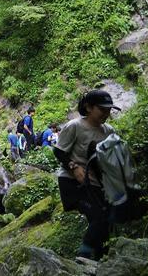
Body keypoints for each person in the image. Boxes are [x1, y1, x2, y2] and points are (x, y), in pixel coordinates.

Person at [53, 90, 120, 260]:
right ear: (89, 107)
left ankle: (99, 257)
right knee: (99, 216)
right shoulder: (75, 126)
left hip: (95, 184)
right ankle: (83, 258)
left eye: (109, 110)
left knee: (108, 216)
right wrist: (74, 167)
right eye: (102, 109)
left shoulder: (109, 131)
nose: (106, 114)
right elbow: (59, 151)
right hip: (72, 182)